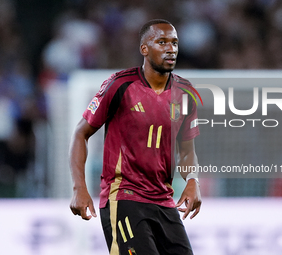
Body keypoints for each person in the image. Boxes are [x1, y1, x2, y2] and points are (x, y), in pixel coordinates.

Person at [69, 19, 201, 255]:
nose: (171, 48)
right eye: (162, 42)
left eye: (174, 43)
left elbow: (187, 149)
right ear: (144, 48)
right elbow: (81, 133)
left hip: (163, 199)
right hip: (124, 196)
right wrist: (79, 187)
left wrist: (192, 180)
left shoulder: (185, 92)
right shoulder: (120, 85)